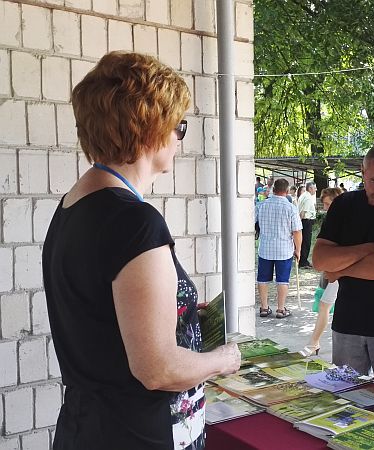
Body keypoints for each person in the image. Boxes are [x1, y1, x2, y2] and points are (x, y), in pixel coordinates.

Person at [41, 51, 241, 450]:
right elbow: (158, 368)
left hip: (87, 425)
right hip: (135, 433)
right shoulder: (134, 222)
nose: (180, 141)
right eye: (179, 127)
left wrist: (178, 311)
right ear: (150, 128)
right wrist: (224, 359)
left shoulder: (73, 206)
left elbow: (100, 315)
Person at [312, 143, 374, 387]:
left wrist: (339, 268)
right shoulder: (344, 204)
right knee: (343, 401)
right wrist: (369, 248)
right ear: (363, 172)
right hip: (348, 319)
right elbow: (320, 259)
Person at [302, 187, 345, 356]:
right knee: (324, 305)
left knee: (325, 305)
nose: (326, 208)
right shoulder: (335, 219)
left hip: (339, 270)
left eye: (328, 204)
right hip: (334, 269)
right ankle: (314, 342)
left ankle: (314, 343)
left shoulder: (342, 220)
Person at [256, 178, 302, 319]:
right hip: (284, 250)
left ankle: (264, 307)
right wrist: (298, 250)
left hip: (265, 248)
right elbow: (297, 231)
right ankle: (281, 309)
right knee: (283, 280)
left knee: (262, 279)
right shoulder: (291, 208)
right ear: (287, 191)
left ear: (273, 189)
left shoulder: (261, 205)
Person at [297, 182, 317, 268]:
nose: (316, 190)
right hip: (306, 221)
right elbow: (303, 212)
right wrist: (299, 224)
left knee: (304, 242)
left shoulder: (303, 195)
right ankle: (303, 262)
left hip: (303, 221)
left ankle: (302, 260)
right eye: (314, 188)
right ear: (310, 188)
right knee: (306, 242)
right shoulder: (308, 198)